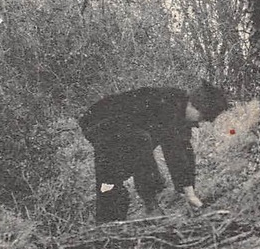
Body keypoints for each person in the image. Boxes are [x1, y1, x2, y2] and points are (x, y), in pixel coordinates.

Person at [79, 82, 229, 223]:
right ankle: (151, 205)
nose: (198, 124)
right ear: (194, 105)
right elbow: (172, 149)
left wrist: (188, 192)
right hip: (98, 121)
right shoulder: (168, 105)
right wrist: (186, 192)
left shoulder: (179, 108)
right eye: (201, 117)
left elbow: (185, 150)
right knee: (140, 141)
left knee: (112, 179)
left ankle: (109, 222)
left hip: (116, 128)